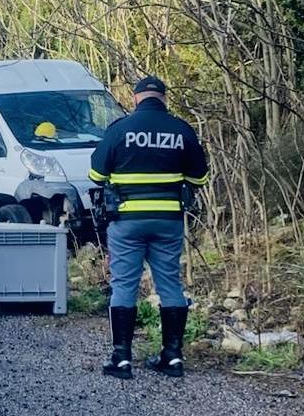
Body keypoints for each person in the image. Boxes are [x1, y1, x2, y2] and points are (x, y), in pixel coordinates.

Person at [89, 75, 209, 380]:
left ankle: (121, 359)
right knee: (169, 284)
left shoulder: (120, 129)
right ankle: (172, 357)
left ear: (135, 98)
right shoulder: (182, 130)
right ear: (164, 99)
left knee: (124, 285)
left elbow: (95, 173)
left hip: (127, 221)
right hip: (168, 221)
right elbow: (200, 179)